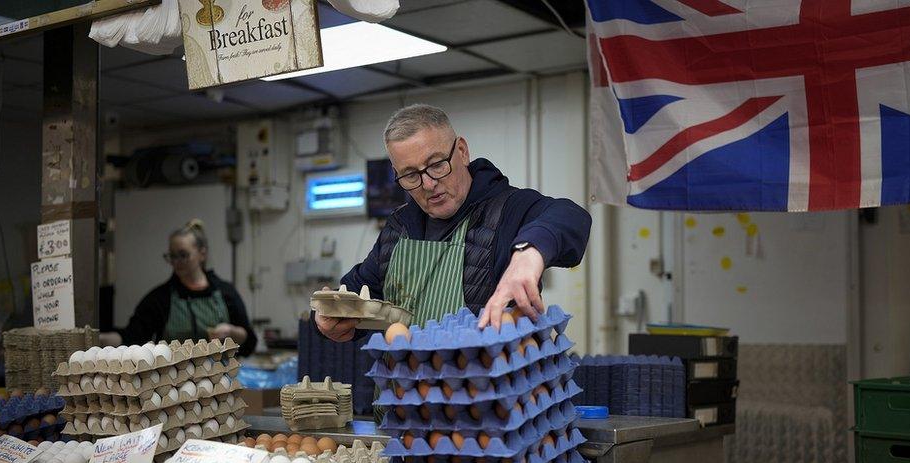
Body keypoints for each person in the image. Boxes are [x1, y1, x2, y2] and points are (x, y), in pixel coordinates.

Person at [316, 104, 591, 342]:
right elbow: (360, 291)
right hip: (401, 398)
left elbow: (570, 215)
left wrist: (529, 254)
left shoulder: (507, 210)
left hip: (482, 397)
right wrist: (331, 319)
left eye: (436, 164)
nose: (428, 184)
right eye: (410, 175)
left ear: (461, 151)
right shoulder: (399, 227)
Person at [101, 219, 258, 355]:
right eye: (172, 256)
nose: (177, 262)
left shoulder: (225, 293)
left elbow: (250, 342)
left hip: (221, 382)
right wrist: (101, 340)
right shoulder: (160, 298)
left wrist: (232, 333)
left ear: (202, 254)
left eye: (183, 255)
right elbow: (132, 337)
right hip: (175, 385)